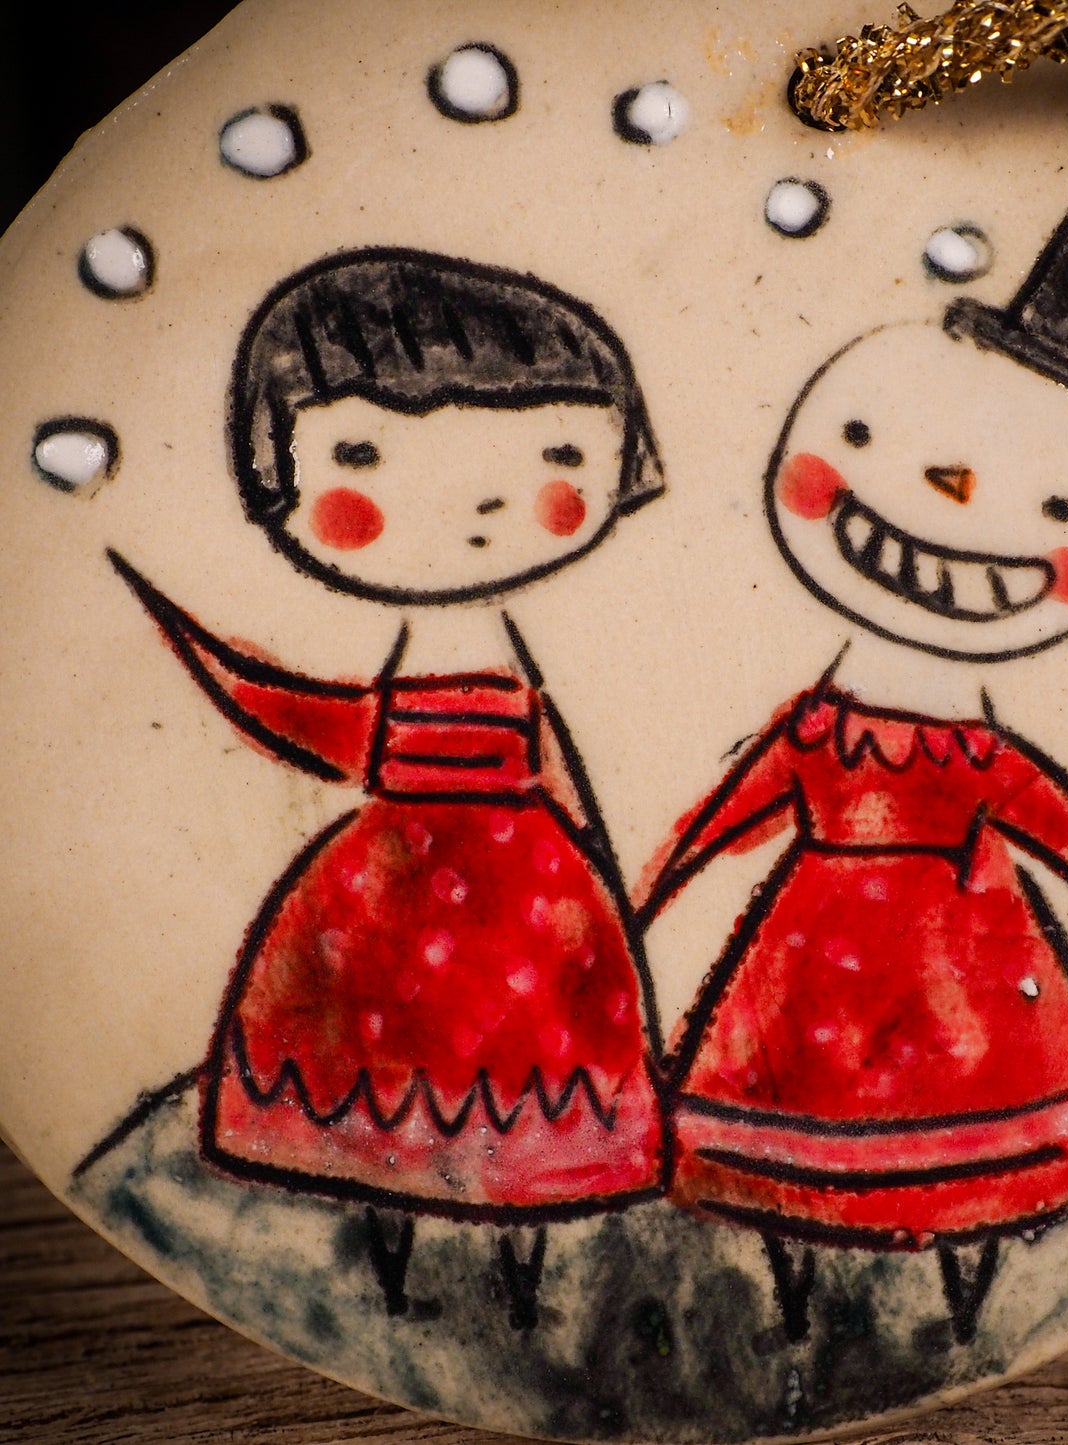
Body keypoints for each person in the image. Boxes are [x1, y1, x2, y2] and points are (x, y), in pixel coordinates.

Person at [640, 215, 1068, 1345]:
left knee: (976, 1150)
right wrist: (646, 893)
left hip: (965, 969)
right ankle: (795, 1307)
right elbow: (723, 815)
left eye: (1049, 508)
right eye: (864, 437)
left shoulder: (978, 756)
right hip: (815, 957)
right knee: (782, 1141)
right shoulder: (816, 730)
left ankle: (964, 1308)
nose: (947, 487)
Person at [110, 247, 666, 1328]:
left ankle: (519, 1274)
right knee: (373, 1083)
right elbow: (301, 714)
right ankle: (398, 1270)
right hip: (390, 902)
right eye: (364, 452)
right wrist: (187, 638)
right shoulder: (413, 702)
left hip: (532, 908)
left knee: (535, 1092)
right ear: (278, 475)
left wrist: (616, 895)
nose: (477, 498)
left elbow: (564, 782)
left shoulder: (524, 691)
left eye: (556, 450)